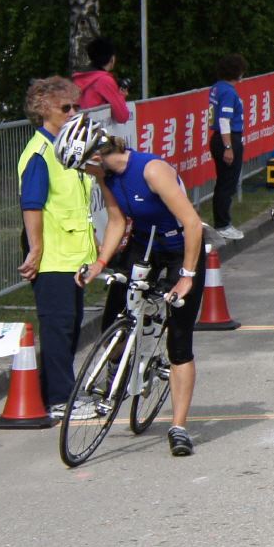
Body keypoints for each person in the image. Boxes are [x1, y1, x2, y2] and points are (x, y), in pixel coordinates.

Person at [58, 115, 206, 456]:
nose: (84, 174)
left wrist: (186, 276)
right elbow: (116, 220)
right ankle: (121, 367)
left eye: (82, 167)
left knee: (179, 342)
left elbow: (192, 223)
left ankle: (179, 427)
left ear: (96, 156)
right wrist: (99, 264)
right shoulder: (105, 176)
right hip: (144, 246)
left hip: (180, 249)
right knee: (116, 313)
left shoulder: (152, 170)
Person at [16, 79, 96, 420]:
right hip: (53, 257)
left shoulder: (66, 148)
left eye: (76, 106)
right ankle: (62, 398)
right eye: (66, 108)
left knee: (70, 326)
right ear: (43, 109)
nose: (73, 112)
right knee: (58, 328)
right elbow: (32, 205)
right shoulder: (40, 153)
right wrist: (35, 249)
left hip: (72, 255)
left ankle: (52, 392)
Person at [208, 54, 248, 239]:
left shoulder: (217, 87)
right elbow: (224, 119)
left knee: (223, 182)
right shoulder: (228, 92)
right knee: (227, 184)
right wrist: (228, 147)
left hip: (219, 138)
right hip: (228, 138)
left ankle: (222, 222)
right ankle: (223, 224)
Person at [71, 39, 129, 127]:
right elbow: (122, 117)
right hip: (96, 130)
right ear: (112, 59)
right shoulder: (104, 80)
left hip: (79, 128)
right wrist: (121, 96)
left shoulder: (78, 77)